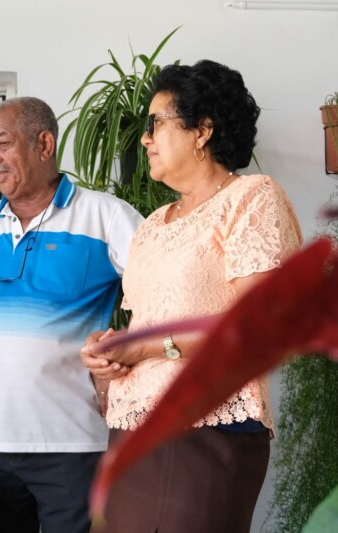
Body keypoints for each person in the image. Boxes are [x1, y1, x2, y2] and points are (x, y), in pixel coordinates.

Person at [81, 60, 303, 532]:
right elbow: (148, 324)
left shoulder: (253, 199)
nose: (144, 138)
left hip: (206, 430)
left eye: (155, 123)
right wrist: (112, 350)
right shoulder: (151, 225)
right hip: (131, 431)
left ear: (202, 130)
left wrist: (147, 346)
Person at [0, 96, 143, 533]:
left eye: (3, 143)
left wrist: (123, 362)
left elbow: (163, 290)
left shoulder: (105, 216)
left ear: (44, 144)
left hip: (72, 441)